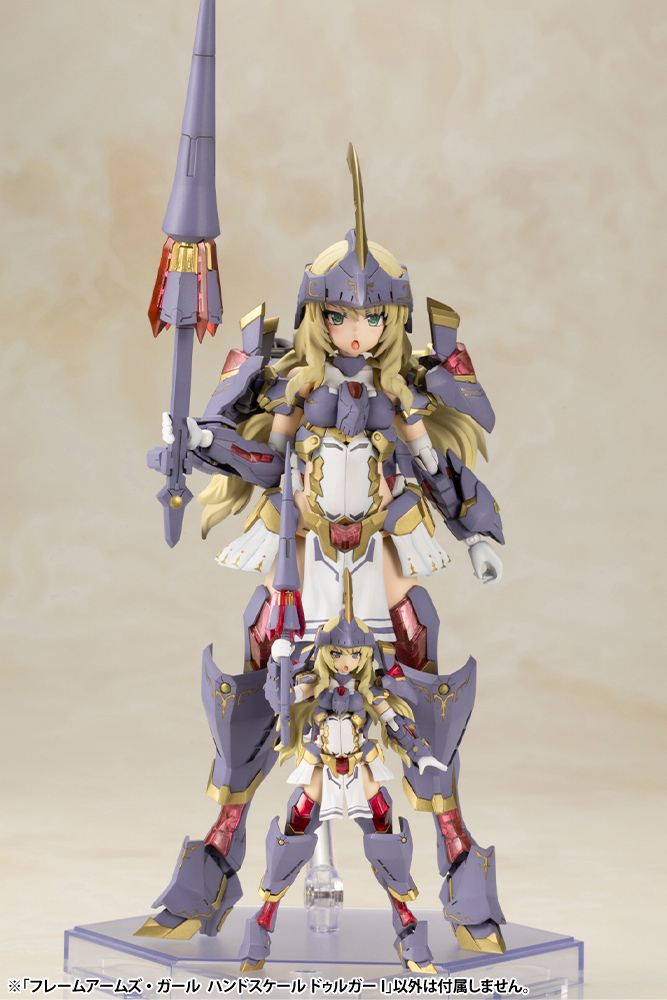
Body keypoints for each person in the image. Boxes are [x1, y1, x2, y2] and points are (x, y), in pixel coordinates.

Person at [139, 145, 506, 956]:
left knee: (418, 699)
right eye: (340, 317)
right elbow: (263, 461)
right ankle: (211, 870)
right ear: (317, 316)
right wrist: (198, 442)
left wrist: (475, 528)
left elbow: (433, 467)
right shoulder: (292, 385)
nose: (355, 330)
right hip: (298, 553)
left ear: (392, 321)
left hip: (382, 554)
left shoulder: (403, 393)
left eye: (371, 318)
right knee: (258, 695)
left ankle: (458, 869)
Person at [239, 571, 444, 974]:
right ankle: (261, 924)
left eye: (353, 655)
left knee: (385, 833)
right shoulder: (312, 682)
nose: (345, 661)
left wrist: (420, 753)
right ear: (325, 653)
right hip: (320, 763)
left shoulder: (371, 689)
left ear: (365, 655)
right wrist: (279, 669)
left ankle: (406, 926)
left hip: (361, 762)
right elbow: (281, 700)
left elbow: (395, 723)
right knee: (294, 831)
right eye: (337, 654)